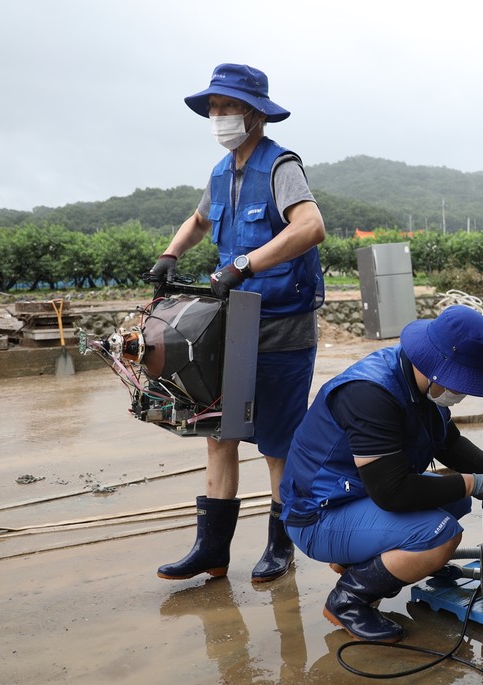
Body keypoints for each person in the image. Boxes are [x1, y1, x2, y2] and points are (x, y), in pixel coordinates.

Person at [147, 63, 325, 584]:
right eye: (214, 109)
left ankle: (279, 545)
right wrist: (171, 252)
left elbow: (311, 226)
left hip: (280, 326)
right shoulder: (221, 172)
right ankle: (212, 550)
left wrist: (245, 264)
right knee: (219, 434)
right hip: (231, 324)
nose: (218, 117)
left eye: (227, 108)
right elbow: (201, 221)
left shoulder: (280, 166)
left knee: (275, 442)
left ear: (255, 113)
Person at [279, 306, 483, 643]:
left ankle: (366, 563)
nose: (463, 392)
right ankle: (348, 600)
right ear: (440, 366)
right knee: (441, 534)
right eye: (462, 382)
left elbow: (448, 444)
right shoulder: (370, 394)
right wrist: (476, 484)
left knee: (457, 502)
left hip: (358, 495)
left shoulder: (421, 381)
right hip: (318, 516)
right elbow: (393, 492)